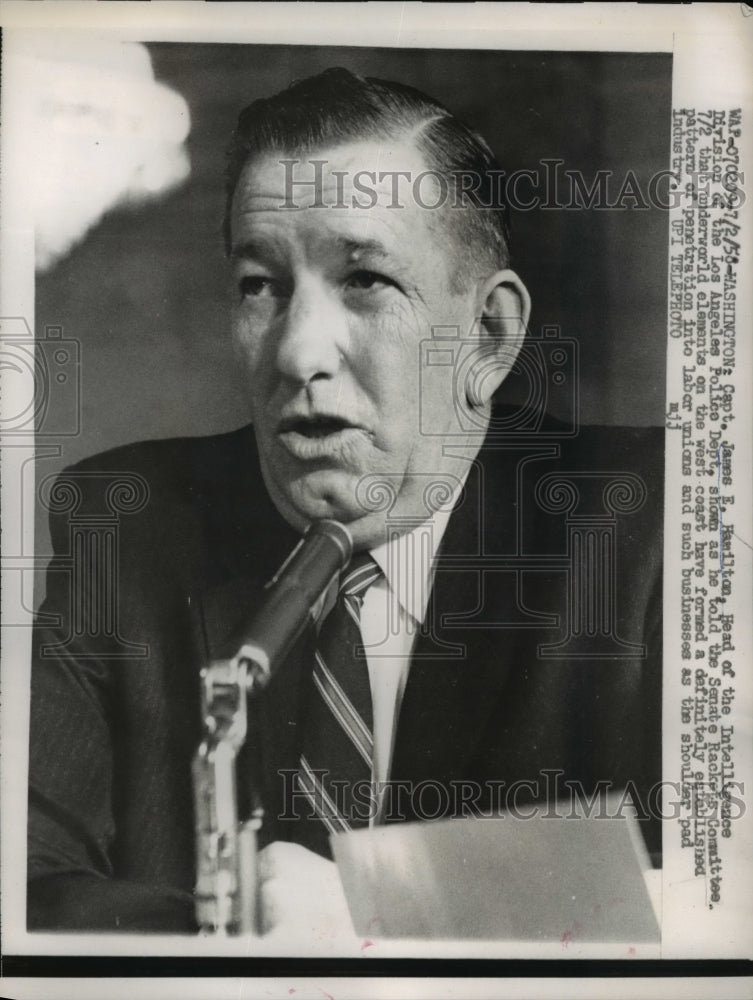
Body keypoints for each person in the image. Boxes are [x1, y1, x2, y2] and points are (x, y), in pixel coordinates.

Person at [28, 68, 663, 934]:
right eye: (260, 284)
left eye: (364, 280)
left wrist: (390, 907)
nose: (296, 352)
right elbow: (18, 885)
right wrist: (246, 946)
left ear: (486, 337)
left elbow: (724, 879)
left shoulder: (655, 521)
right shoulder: (126, 521)